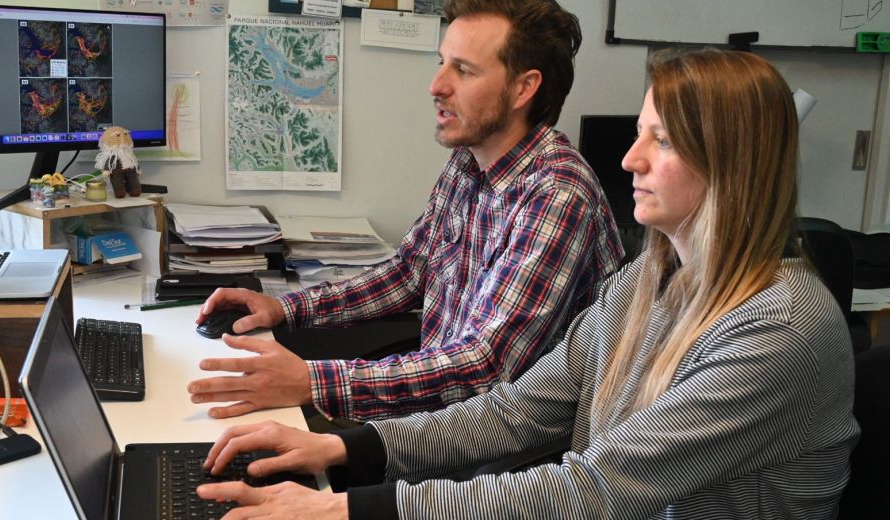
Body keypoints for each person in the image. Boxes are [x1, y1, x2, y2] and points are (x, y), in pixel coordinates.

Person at [194, 48, 860, 519]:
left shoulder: (779, 330)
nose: (629, 159)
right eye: (638, 135)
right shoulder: (650, 280)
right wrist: (343, 446)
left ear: (731, 161)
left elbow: (596, 491)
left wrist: (346, 506)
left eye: (662, 140)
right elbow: (518, 409)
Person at [188, 0, 622, 425]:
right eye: (441, 62)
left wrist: (313, 382)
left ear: (524, 89)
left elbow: (486, 364)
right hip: (433, 416)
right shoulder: (470, 162)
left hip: (496, 453)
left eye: (464, 70)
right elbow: (410, 273)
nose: (436, 85)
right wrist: (286, 309)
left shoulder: (558, 193)